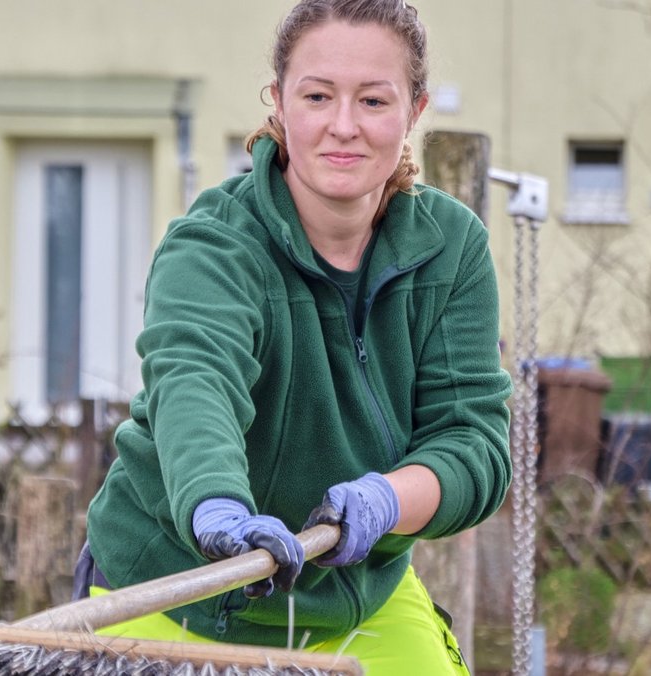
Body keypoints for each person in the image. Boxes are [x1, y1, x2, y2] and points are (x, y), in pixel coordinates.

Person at [75, 1, 512, 674]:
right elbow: (195, 381)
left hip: (353, 598)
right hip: (174, 592)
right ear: (279, 102)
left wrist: (386, 500)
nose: (344, 125)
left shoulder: (451, 250)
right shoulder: (215, 244)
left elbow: (472, 442)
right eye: (317, 95)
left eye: (373, 99)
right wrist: (218, 510)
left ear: (415, 111)